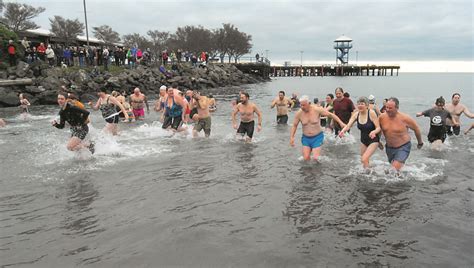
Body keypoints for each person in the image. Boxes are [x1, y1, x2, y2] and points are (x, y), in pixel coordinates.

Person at [290, 95, 345, 161]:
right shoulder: (299, 113)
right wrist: (292, 137)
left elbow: (331, 115)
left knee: (316, 158)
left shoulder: (317, 110)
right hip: (306, 138)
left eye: (304, 105)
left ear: (309, 104)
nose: (302, 107)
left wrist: (341, 123)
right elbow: (294, 125)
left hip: (317, 137)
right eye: (301, 105)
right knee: (306, 158)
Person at [379, 97, 423, 171]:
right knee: (395, 169)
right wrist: (378, 141)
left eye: (390, 108)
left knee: (393, 170)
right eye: (386, 107)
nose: (387, 110)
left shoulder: (405, 118)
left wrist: (420, 142)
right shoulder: (382, 117)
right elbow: (379, 129)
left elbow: (416, 129)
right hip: (389, 148)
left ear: (397, 108)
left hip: (403, 147)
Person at [338, 97, 382, 168]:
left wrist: (374, 131)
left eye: (362, 104)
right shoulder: (356, 114)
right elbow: (348, 125)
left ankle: (368, 174)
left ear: (367, 105)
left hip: (373, 140)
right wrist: (342, 131)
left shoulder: (371, 113)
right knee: (363, 161)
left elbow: (378, 127)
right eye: (358, 104)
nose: (360, 106)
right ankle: (369, 173)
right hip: (363, 140)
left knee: (364, 159)